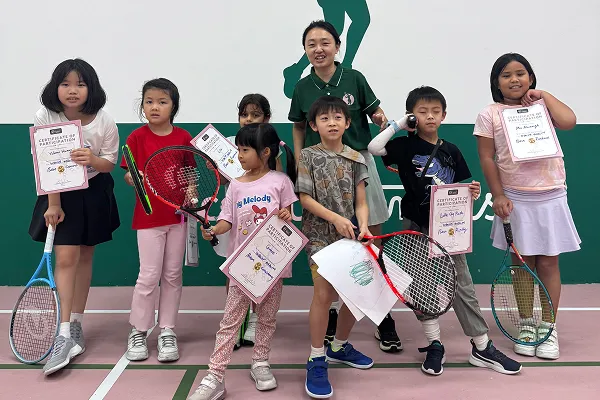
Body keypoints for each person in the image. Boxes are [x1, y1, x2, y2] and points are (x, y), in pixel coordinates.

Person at [368, 85, 522, 376]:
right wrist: (399, 125)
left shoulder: (452, 150)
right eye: (422, 112)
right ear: (411, 115)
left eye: (435, 112)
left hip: (448, 229)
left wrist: (472, 192)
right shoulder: (404, 146)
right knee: (421, 285)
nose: (429, 116)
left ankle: (482, 346)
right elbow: (375, 148)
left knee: (462, 286)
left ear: (444, 116)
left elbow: (462, 187)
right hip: (415, 226)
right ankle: (434, 344)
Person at [288, 19, 401, 353]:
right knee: (330, 241)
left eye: (325, 42)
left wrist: (381, 118)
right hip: (320, 166)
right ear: (305, 50)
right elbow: (298, 127)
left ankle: (382, 315)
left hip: (359, 160)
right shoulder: (302, 87)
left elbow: (376, 112)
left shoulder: (354, 78)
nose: (318, 49)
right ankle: (334, 312)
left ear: (337, 47)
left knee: (371, 237)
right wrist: (299, 160)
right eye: (311, 44)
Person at [474, 53, 580, 360]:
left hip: (551, 195)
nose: (514, 79)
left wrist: (543, 95)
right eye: (506, 75)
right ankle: (526, 325)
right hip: (515, 198)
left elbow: (569, 121)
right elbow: (487, 158)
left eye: (520, 73)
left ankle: (548, 327)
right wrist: (498, 195)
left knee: (548, 264)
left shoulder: (542, 106)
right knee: (522, 266)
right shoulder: (489, 114)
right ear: (496, 83)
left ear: (530, 78)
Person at [188, 123, 298, 400]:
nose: (239, 155)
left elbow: (288, 216)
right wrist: (214, 230)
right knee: (229, 322)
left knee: (267, 318)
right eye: (238, 149)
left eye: (245, 150)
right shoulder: (235, 185)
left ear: (265, 152)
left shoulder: (281, 182)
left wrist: (285, 215)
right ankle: (215, 376)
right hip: (242, 266)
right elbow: (227, 221)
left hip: (272, 266)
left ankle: (260, 362)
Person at [28, 58, 120, 375]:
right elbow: (45, 162)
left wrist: (92, 158)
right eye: (65, 83)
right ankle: (63, 333)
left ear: (91, 89)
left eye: (80, 84)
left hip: (94, 191)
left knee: (84, 256)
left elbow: (109, 164)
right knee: (65, 257)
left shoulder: (105, 121)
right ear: (55, 87)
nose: (72, 90)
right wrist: (53, 204)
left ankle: (77, 323)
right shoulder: (45, 116)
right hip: (59, 192)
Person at [297, 96, 374, 399]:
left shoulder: (357, 158)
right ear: (314, 125)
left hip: (350, 237)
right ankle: (316, 357)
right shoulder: (307, 156)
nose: (332, 123)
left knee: (355, 295)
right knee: (324, 294)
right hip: (319, 237)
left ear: (347, 123)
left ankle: (339, 347)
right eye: (325, 118)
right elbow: (304, 198)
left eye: (338, 117)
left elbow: (361, 202)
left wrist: (363, 225)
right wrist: (336, 218)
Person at [120, 78, 192, 362]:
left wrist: (191, 193)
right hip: (148, 218)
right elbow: (128, 174)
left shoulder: (184, 138)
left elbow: (190, 176)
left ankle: (167, 330)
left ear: (173, 106)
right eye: (149, 102)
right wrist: (133, 177)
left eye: (162, 102)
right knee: (149, 275)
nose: (154, 107)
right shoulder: (135, 138)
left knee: (173, 274)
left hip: (177, 218)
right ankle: (138, 330)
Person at [219, 93, 283, 350]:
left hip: (265, 228)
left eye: (255, 115)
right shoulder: (232, 148)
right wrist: (220, 171)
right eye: (244, 114)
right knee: (235, 270)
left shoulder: (272, 151)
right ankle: (238, 320)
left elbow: (278, 184)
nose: (248, 119)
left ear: (266, 118)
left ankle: (255, 319)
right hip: (237, 219)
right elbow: (224, 181)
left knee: (261, 271)